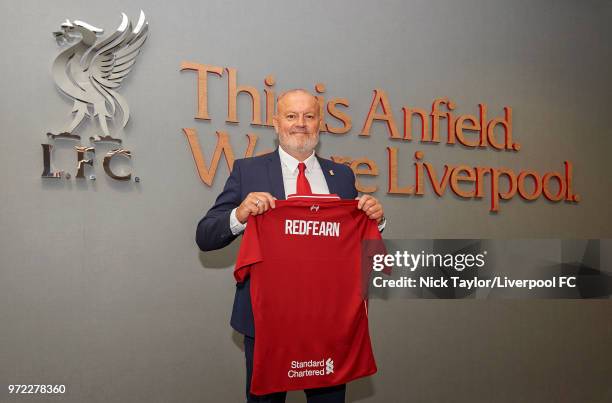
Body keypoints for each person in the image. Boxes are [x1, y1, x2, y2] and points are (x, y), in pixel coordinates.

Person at [196, 89, 385, 403]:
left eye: (309, 116)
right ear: (275, 123)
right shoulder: (248, 171)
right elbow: (205, 235)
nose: (301, 124)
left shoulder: (341, 176)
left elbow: (356, 244)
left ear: (319, 124)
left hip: (329, 321)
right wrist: (240, 214)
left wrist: (375, 220)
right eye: (292, 116)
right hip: (267, 319)